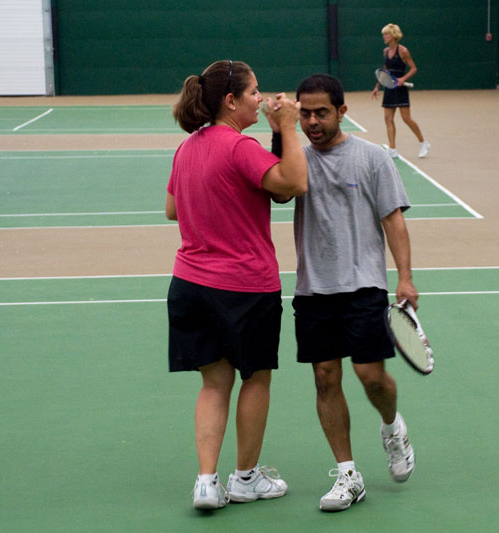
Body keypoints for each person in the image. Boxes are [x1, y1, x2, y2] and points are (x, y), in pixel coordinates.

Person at [266, 74, 418, 512]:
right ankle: (348, 474)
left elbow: (393, 220)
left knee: (371, 376)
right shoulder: (297, 157)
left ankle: (391, 426)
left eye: (322, 113)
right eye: (305, 114)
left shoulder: (372, 157)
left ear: (342, 112)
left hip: (364, 284)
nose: (313, 122)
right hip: (313, 288)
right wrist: (279, 132)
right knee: (325, 377)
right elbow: (278, 193)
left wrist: (405, 277)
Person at [165, 59, 308, 510]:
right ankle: (245, 478)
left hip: (189, 284)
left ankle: (206, 482)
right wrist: (290, 126)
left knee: (213, 384)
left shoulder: (187, 147)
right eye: (253, 92)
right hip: (245, 285)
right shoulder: (240, 147)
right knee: (256, 378)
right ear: (231, 101)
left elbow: (172, 209)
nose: (260, 99)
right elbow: (294, 182)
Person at [371, 23, 430, 159]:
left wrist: (403, 78)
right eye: (384, 34)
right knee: (388, 119)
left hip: (400, 89)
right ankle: (392, 149)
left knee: (406, 118)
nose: (384, 36)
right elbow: (385, 70)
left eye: (386, 34)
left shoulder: (403, 51)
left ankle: (423, 143)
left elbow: (414, 68)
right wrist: (377, 86)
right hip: (389, 88)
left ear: (393, 35)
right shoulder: (385, 51)